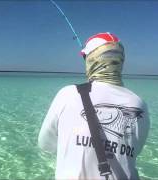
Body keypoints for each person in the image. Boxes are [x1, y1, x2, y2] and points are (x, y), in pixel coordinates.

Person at [38, 32, 150, 180]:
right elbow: (134, 152)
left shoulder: (68, 94)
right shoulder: (139, 104)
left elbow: (45, 144)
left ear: (92, 59)